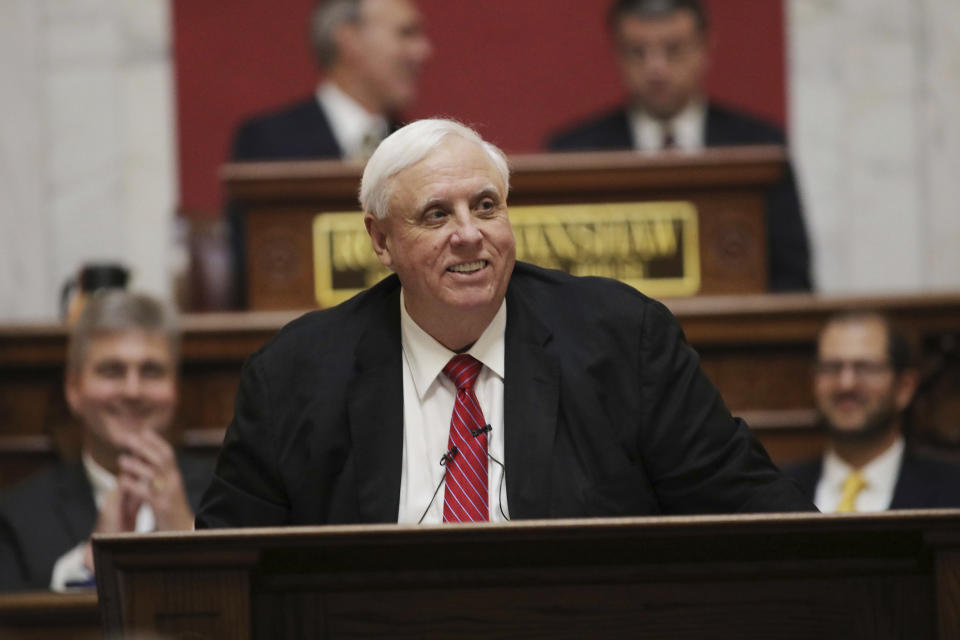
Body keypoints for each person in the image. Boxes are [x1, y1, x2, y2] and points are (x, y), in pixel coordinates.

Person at [196, 118, 814, 529]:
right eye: (436, 215)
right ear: (381, 240)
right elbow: (226, 565)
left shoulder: (623, 340)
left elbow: (754, 513)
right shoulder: (295, 376)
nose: (470, 235)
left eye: (486, 206)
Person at [546, 0, 811, 292]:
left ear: (705, 48)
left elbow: (793, 277)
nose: (655, 68)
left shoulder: (759, 147)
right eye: (638, 52)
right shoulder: (575, 153)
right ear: (617, 54)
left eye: (673, 50)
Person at [0, 291, 213, 591]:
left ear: (175, 388)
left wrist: (188, 533)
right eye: (111, 371)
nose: (132, 390)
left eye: (151, 371)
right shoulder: (17, 516)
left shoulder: (230, 495)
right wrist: (89, 565)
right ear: (74, 389)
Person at [226, 0, 432, 307]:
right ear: (349, 39)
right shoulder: (269, 143)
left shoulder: (420, 147)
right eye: (405, 33)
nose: (422, 51)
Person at [784, 312, 960, 512]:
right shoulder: (778, 489)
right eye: (832, 367)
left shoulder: (953, 490)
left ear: (905, 387)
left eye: (865, 368)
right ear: (814, 381)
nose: (846, 384)